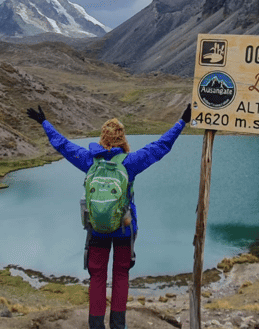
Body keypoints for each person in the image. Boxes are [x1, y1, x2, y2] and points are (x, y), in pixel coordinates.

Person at [26, 104, 192, 329]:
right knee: (121, 275)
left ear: (103, 138)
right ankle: (118, 326)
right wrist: (182, 122)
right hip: (124, 228)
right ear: (122, 139)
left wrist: (44, 123)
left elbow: (63, 145)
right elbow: (160, 146)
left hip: (97, 229)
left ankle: (96, 325)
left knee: (97, 277)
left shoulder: (89, 161)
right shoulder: (130, 162)